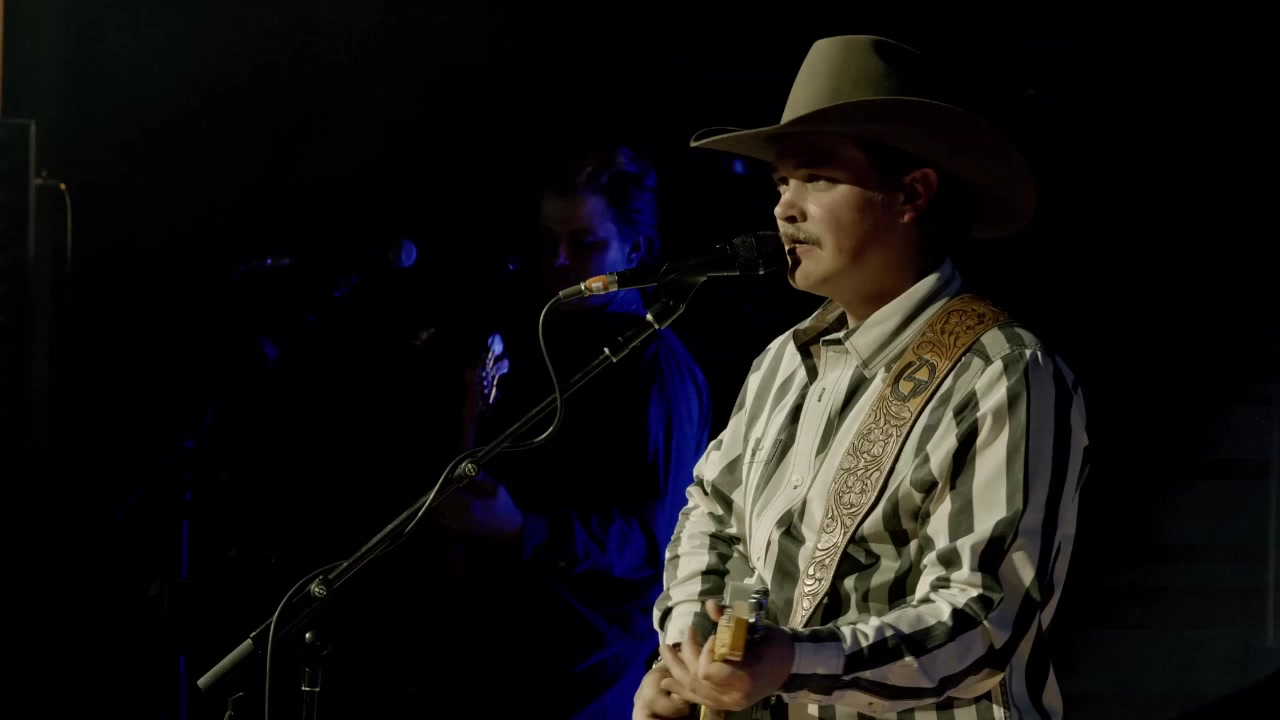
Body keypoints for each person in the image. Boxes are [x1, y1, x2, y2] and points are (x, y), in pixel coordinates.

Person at [634, 36, 1090, 720]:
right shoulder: (783, 361)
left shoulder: (1001, 372)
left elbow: (982, 618)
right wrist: (688, 653)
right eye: (781, 183)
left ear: (912, 194)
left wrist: (794, 661)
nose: (785, 208)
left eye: (817, 178)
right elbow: (714, 515)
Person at [432, 143, 713, 719]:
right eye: (547, 241)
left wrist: (522, 527)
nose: (559, 261)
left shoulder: (656, 367)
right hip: (499, 650)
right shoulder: (542, 334)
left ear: (635, 249)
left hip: (586, 671)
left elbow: (652, 542)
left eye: (584, 243)